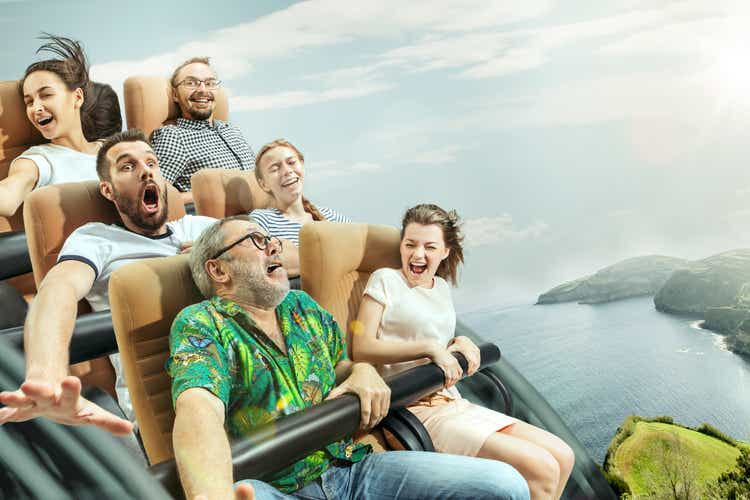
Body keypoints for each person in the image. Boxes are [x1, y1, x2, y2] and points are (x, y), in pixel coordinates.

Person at [168, 214, 531, 500]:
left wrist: (361, 371)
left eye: (272, 239)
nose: (274, 248)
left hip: (350, 468)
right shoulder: (201, 323)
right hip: (276, 486)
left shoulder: (302, 307)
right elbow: (197, 409)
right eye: (258, 241)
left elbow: (339, 365)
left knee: (506, 484)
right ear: (218, 269)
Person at [351, 204, 575, 500]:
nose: (418, 255)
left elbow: (430, 333)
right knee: (542, 469)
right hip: (414, 411)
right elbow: (362, 347)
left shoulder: (441, 287)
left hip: (452, 401)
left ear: (445, 251)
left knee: (563, 455)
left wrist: (458, 342)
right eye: (410, 244)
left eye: (430, 246)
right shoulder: (385, 280)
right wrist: (430, 348)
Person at [0, 129, 216, 434]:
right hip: (184, 409)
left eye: (151, 163)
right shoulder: (96, 240)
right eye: (128, 167)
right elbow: (57, 289)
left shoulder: (200, 228)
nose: (145, 171)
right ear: (108, 190)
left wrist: (221, 255)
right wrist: (46, 374)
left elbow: (286, 254)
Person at [0, 34, 122, 218]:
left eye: (46, 95)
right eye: (29, 102)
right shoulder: (38, 160)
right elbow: (8, 195)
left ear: (77, 97)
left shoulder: (113, 149)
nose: (36, 108)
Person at [151, 57, 256, 204]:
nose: (202, 90)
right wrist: (212, 193)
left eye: (210, 83)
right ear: (175, 95)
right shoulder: (173, 136)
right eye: (191, 83)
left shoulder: (232, 130)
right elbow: (156, 194)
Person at [250, 139, 348, 280]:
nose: (287, 171)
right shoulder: (262, 220)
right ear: (264, 184)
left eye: (291, 162)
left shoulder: (332, 217)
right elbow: (256, 266)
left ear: (302, 165)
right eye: (275, 168)